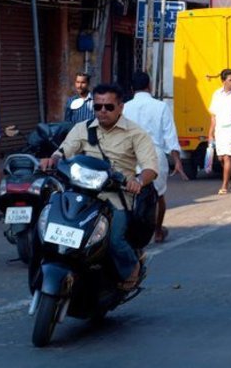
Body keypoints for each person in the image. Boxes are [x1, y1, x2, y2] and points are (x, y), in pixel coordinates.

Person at [40, 83, 159, 290]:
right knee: (50, 223)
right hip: (81, 192)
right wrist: (53, 159)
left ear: (120, 107)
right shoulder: (82, 129)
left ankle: (131, 267)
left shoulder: (136, 133)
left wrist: (138, 181)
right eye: (98, 107)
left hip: (116, 197)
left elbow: (150, 167)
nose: (102, 111)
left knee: (115, 239)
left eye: (109, 107)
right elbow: (64, 151)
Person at [123, 72, 188, 243]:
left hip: (130, 154)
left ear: (131, 88)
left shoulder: (125, 107)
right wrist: (177, 161)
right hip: (155, 154)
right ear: (149, 86)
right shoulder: (160, 106)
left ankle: (129, 231)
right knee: (158, 195)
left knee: (128, 194)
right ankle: (158, 231)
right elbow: (170, 135)